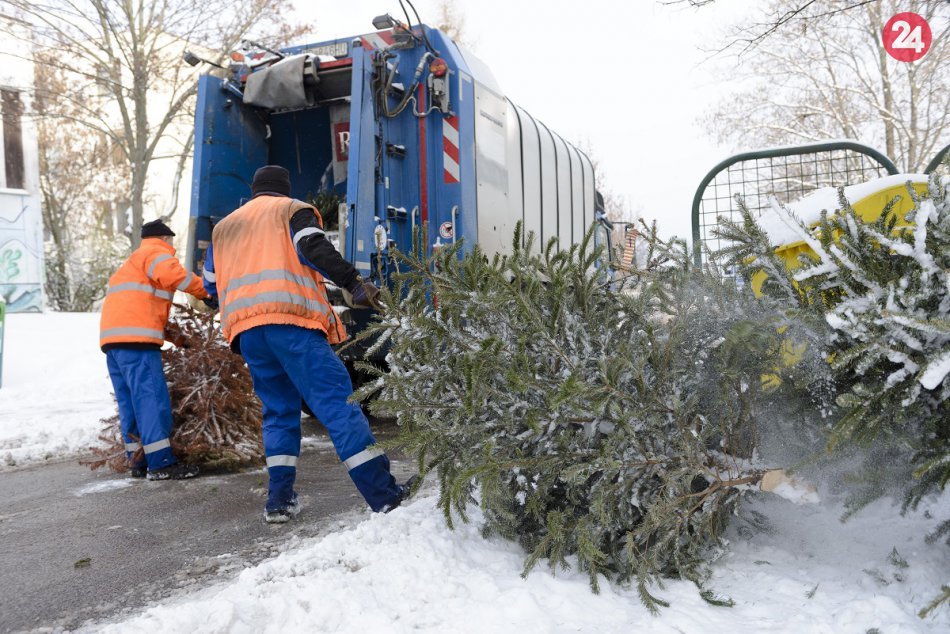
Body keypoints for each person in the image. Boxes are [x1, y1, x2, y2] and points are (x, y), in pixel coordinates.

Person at [203, 165, 412, 523]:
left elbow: (210, 287)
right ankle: (383, 494)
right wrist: (353, 282)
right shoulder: (291, 210)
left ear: (254, 191)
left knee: (279, 413)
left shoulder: (223, 228)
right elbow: (313, 248)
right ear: (284, 189)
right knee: (338, 405)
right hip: (292, 324)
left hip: (248, 333)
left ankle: (279, 502)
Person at [100, 220, 209, 480]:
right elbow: (177, 276)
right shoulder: (155, 253)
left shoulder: (133, 264)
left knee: (130, 403)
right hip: (137, 345)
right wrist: (207, 292)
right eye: (171, 242)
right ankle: (160, 463)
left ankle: (137, 460)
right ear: (165, 239)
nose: (172, 248)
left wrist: (181, 339)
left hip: (114, 343)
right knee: (151, 400)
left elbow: (146, 313)